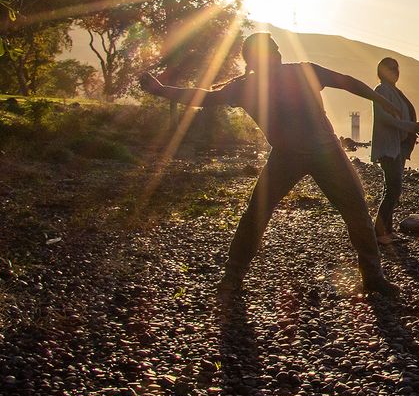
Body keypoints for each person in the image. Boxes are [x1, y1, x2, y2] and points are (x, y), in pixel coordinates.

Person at [139, 32, 403, 298]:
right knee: (256, 214)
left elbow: (346, 82)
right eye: (270, 51)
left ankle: (373, 277)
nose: (277, 54)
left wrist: (380, 100)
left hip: (328, 153)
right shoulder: (244, 87)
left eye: (277, 49)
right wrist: (160, 89)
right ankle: (232, 276)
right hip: (285, 156)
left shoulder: (303, 72)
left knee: (356, 209)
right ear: (254, 60)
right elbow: (204, 97)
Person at [371, 57, 419, 245]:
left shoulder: (395, 92)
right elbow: (385, 118)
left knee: (392, 189)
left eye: (397, 69)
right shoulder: (381, 90)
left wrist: (415, 126)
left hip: (397, 146)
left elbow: (400, 118)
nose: (396, 72)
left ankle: (386, 232)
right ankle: (380, 233)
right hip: (389, 147)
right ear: (382, 71)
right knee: (393, 189)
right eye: (391, 69)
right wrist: (410, 127)